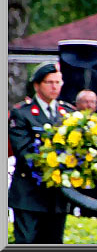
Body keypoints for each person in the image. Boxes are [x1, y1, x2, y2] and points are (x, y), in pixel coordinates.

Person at [8, 62, 75, 243]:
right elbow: (24, 151)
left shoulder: (67, 113)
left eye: (58, 82)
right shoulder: (23, 113)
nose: (54, 87)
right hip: (29, 195)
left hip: (57, 197)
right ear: (37, 85)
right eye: (49, 82)